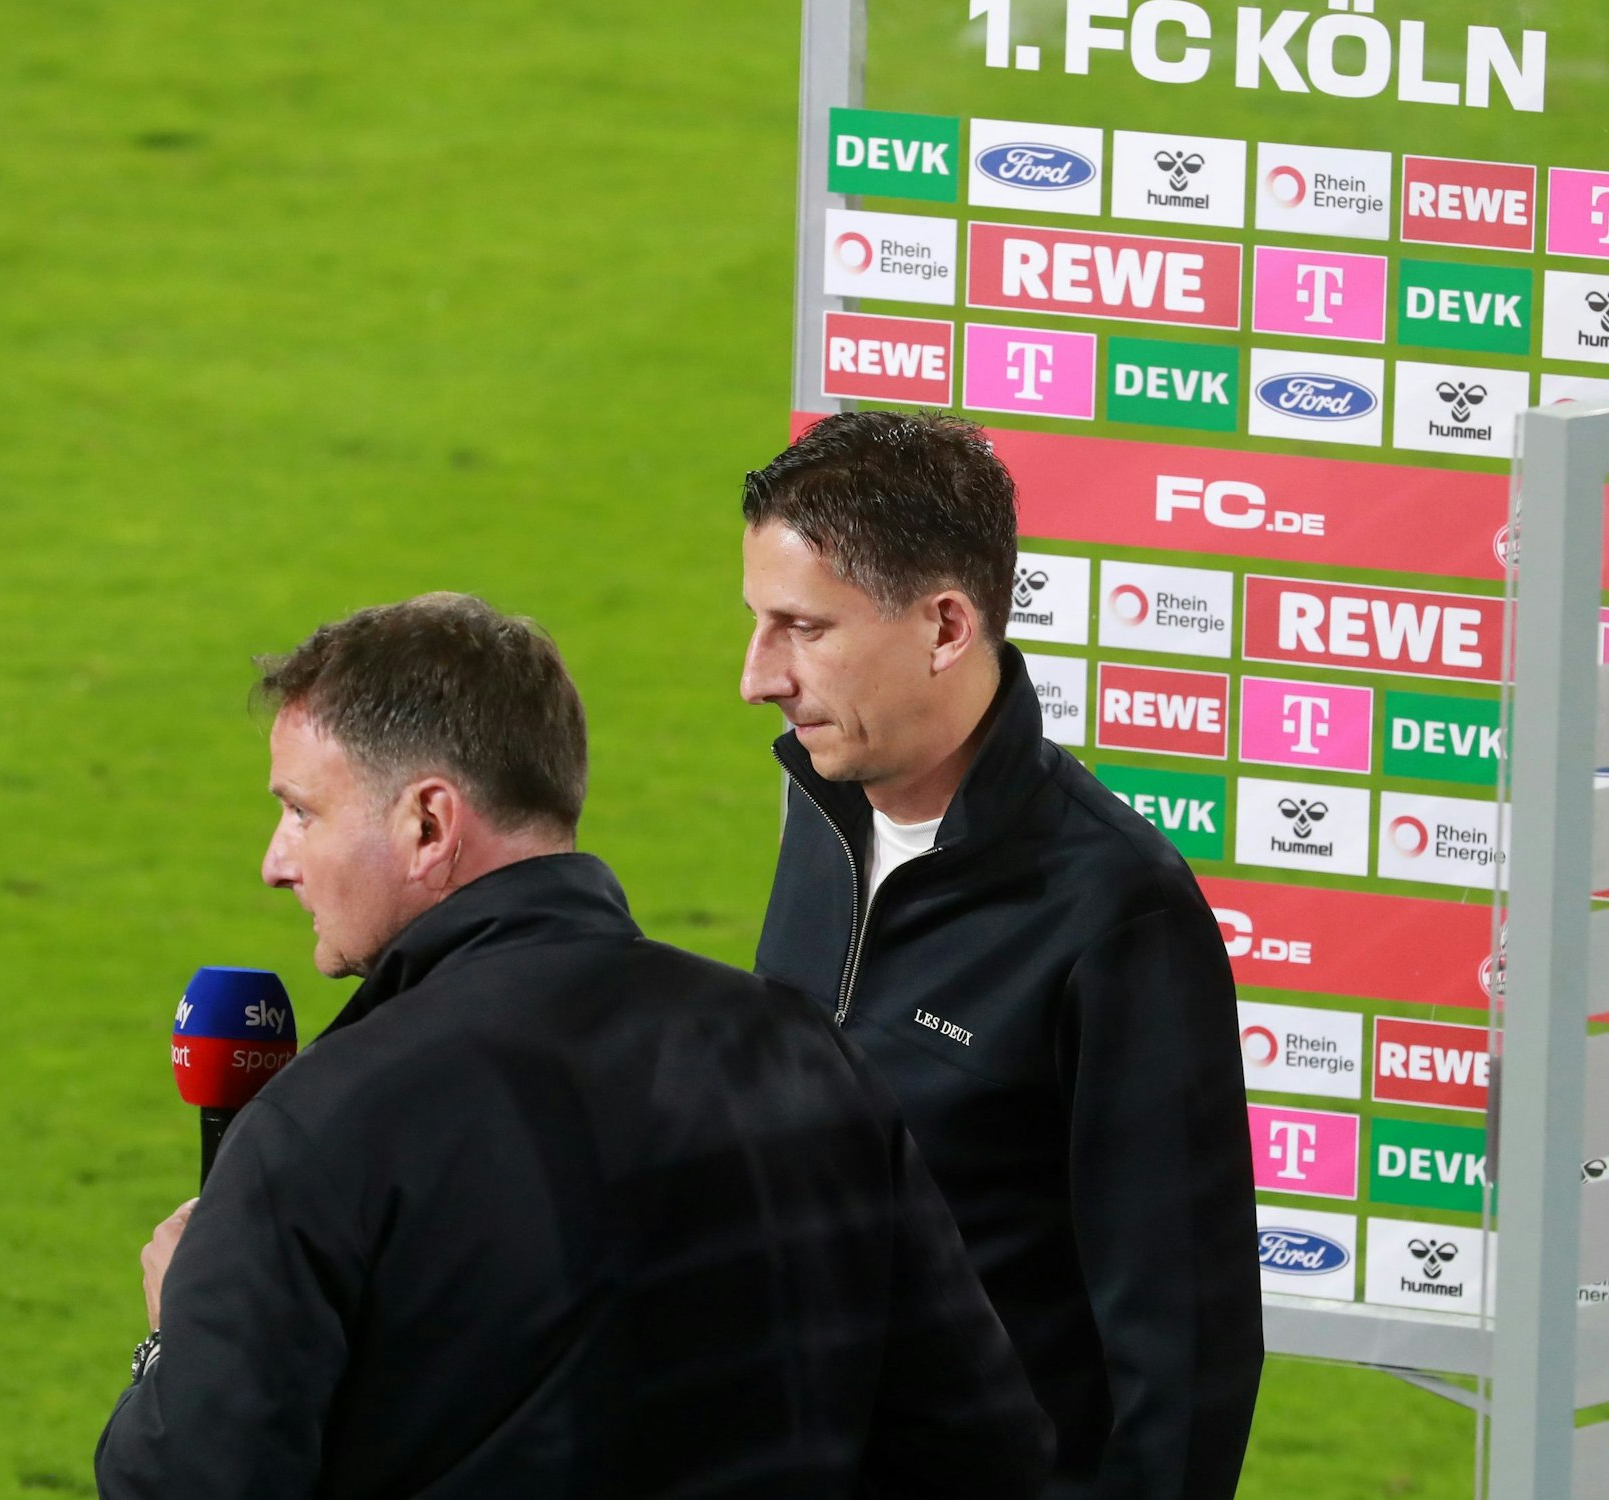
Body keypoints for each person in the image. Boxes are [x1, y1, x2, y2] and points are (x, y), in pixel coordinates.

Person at [96, 592, 1051, 1500]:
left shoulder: (319, 1129)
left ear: (429, 824)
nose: (276, 861)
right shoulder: (802, 1057)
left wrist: (177, 1341)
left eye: (302, 811)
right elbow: (980, 1454)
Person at [739, 412, 1262, 1500]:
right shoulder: (819, 817)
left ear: (942, 627)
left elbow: (1183, 1353)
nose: (758, 677)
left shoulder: (1117, 914)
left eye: (801, 627)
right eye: (756, 623)